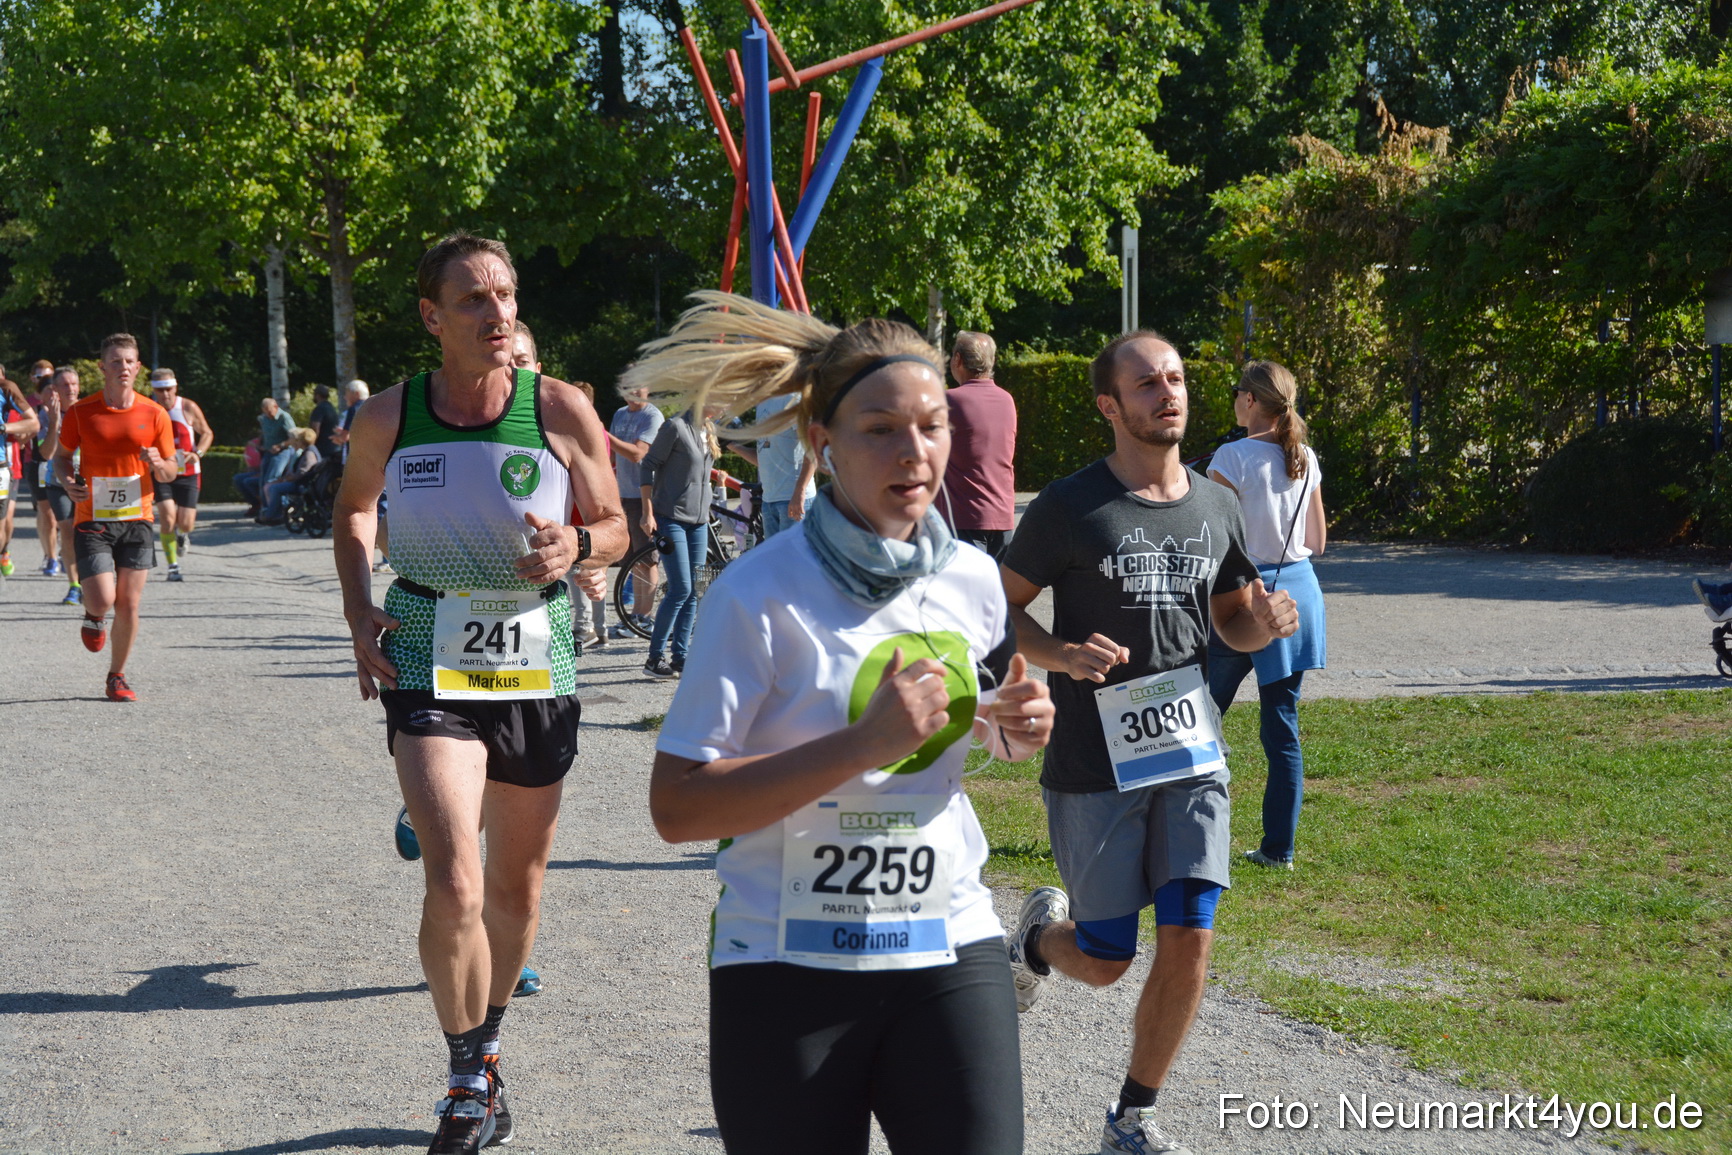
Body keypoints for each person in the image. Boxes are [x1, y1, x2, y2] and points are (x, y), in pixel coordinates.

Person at [639, 291, 1054, 1155]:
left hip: (947, 940)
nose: (915, 453)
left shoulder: (974, 581)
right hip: (786, 966)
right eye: (881, 429)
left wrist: (1007, 725)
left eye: (933, 426)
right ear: (821, 441)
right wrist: (864, 744)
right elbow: (677, 808)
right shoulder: (757, 593)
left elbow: (963, 723)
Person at [333, 231, 626, 1155]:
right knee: (455, 872)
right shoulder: (388, 416)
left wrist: (578, 546)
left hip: (537, 655)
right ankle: (464, 1076)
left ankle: (489, 1045)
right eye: (474, 299)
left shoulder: (562, 408)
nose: (498, 312)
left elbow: (619, 523)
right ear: (432, 318)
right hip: (427, 648)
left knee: (515, 883)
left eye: (504, 294)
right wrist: (356, 608)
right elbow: (352, 510)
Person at [998, 330, 1298, 1155]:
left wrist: (1262, 624)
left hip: (1191, 749)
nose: (1168, 392)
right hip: (1095, 761)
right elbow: (997, 608)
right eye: (1146, 383)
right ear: (1110, 405)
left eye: (1175, 379)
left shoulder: (1216, 503)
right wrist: (1059, 654)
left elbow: (1233, 618)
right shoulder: (1069, 506)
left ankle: (1134, 1114)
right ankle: (1032, 939)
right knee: (1102, 958)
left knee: (1191, 931)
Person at [1206, 360, 1327, 870]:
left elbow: (1214, 542)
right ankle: (1280, 849)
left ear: (1250, 401)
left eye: (1237, 393)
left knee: (1200, 711)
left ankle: (1188, 824)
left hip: (1243, 598)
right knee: (1281, 727)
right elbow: (1317, 541)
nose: (1234, 400)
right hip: (1298, 592)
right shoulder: (1305, 456)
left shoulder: (1230, 457)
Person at [54, 333, 177, 702]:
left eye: (129, 362)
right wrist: (67, 483)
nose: (123, 367)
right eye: (116, 361)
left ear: (138, 368)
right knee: (103, 599)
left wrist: (159, 464)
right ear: (102, 367)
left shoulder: (154, 413)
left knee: (129, 603)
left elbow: (172, 469)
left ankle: (117, 676)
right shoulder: (81, 412)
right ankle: (94, 616)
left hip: (138, 518)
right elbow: (61, 458)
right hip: (93, 517)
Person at [637, 400, 716, 679]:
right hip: (670, 517)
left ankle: (681, 657)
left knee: (695, 589)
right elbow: (647, 466)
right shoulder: (675, 426)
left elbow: (696, 473)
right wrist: (647, 513)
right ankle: (654, 658)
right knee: (681, 588)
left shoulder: (709, 428)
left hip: (699, 522)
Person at [941, 330, 1018, 560]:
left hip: (964, 517)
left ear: (957, 360)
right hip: (1003, 517)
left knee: (962, 594)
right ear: (992, 361)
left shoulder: (949, 400)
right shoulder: (1006, 399)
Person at [606, 378, 664, 636]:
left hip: (646, 494)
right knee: (633, 561)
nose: (632, 394)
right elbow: (609, 455)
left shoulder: (653, 416)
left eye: (637, 388)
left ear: (648, 387)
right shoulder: (619, 414)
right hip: (623, 493)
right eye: (626, 389)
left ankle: (644, 617)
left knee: (648, 559)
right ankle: (635, 616)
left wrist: (604, 436)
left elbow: (638, 453)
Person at [147, 369, 214, 581]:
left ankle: (182, 534)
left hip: (188, 472)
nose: (165, 394)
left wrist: (198, 453)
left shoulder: (187, 406)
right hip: (161, 471)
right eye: (159, 390)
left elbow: (207, 433)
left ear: (175, 388)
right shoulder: (148, 408)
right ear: (153, 390)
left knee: (185, 522)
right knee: (167, 517)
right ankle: (173, 566)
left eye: (168, 389)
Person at [731, 390, 816, 538]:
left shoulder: (793, 398)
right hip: (769, 501)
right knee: (778, 560)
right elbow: (763, 458)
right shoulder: (761, 404)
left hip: (794, 499)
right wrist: (731, 445)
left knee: (795, 560)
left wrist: (800, 492)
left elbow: (812, 450)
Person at [38, 367, 87, 603]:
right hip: (57, 483)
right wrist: (56, 421)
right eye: (65, 385)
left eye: (74, 384)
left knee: (89, 534)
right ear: (55, 389)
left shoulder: (88, 411)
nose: (71, 389)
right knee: (67, 531)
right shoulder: (46, 415)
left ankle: (92, 580)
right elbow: (46, 454)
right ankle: (74, 585)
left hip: (88, 482)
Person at [1, 366, 42, 576]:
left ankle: (4, 551)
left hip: (10, 467)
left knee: (7, 518)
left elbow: (30, 430)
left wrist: (18, 437)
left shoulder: (13, 403)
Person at [256, 427, 320, 525]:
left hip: (302, 484)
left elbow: (303, 472)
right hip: (302, 482)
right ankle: (274, 514)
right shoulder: (308, 450)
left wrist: (290, 477)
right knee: (273, 486)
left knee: (275, 488)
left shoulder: (309, 453)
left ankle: (271, 516)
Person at [258, 396, 297, 488]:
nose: (268, 415)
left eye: (270, 412)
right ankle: (263, 502)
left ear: (275, 407)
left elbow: (295, 437)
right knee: (263, 480)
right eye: (265, 412)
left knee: (272, 479)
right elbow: (264, 434)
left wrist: (281, 445)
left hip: (282, 452)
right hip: (268, 452)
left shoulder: (284, 417)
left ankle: (273, 501)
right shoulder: (264, 418)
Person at [308, 384, 341, 462]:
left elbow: (315, 429)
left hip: (322, 449)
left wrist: (310, 445)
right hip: (334, 448)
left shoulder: (319, 409)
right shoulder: (331, 408)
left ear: (317, 395)